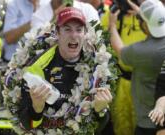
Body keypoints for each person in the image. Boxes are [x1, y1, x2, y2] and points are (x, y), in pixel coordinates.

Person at [7, 7, 114, 135]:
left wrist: (100, 111)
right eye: (67, 29)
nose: (74, 36)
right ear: (57, 33)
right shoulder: (37, 65)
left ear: (85, 33)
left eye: (79, 30)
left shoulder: (97, 67)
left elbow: (100, 126)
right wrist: (36, 108)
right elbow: (25, 124)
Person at [109, 0, 165, 135]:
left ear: (144, 24)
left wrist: (112, 25)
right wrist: (145, 13)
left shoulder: (143, 51)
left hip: (149, 123)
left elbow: (119, 50)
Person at [31, 0, 100, 29]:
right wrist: (54, 20)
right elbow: (38, 43)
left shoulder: (88, 10)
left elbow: (96, 40)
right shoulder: (37, 16)